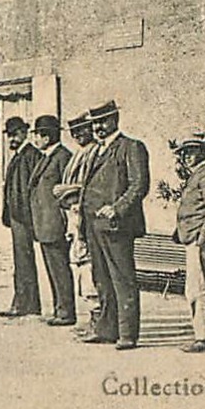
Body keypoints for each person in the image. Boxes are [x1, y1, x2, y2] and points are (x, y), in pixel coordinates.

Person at [80, 101, 149, 350]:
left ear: (115, 120)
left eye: (103, 121)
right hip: (94, 225)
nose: (98, 127)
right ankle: (107, 329)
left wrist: (117, 207)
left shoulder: (131, 147)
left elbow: (139, 185)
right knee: (102, 278)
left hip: (116, 224)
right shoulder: (96, 151)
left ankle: (128, 334)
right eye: (95, 123)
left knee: (122, 279)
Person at [173, 133, 205, 353]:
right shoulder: (200, 175)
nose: (186, 156)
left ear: (203, 152)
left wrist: (201, 237)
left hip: (201, 239)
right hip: (195, 237)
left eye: (192, 151)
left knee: (198, 288)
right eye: (184, 152)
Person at [53, 113, 100, 335]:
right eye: (74, 132)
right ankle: (93, 317)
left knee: (89, 267)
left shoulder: (95, 152)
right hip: (73, 215)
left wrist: (68, 191)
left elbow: (87, 186)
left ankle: (97, 318)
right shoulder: (78, 154)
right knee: (80, 265)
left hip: (85, 214)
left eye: (82, 130)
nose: (79, 136)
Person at [28, 115, 75, 327]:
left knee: (60, 268)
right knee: (53, 268)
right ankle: (59, 309)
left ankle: (66, 311)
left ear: (47, 136)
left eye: (37, 135)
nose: (35, 139)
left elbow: (69, 190)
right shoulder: (47, 157)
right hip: (44, 223)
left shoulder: (63, 156)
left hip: (56, 222)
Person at [0, 116, 43, 319]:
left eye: (15, 134)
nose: (12, 139)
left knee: (24, 261)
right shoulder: (19, 155)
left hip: (24, 216)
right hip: (17, 215)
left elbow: (34, 189)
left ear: (25, 133)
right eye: (10, 135)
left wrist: (29, 216)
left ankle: (25, 303)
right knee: (21, 261)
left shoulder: (31, 155)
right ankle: (25, 302)